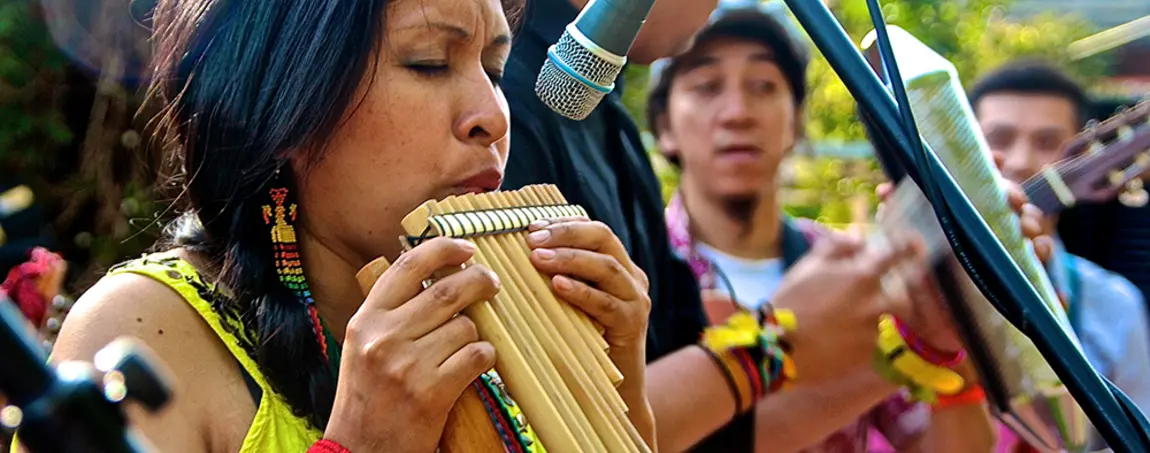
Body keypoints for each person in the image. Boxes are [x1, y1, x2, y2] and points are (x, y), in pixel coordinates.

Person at [20, 1, 936, 453]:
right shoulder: (142, 329)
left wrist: (622, 410)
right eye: (429, 61)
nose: (492, 113)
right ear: (284, 110)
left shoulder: (511, 335)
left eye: (493, 64)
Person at [646, 3, 998, 452]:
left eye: (764, 86)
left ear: (795, 121)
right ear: (665, 128)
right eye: (706, 87)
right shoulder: (635, 268)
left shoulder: (854, 269)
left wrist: (951, 349)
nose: (737, 112)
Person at [968, 61, 1150, 450]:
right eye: (999, 138)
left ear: (1085, 156)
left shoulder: (1114, 305)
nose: (1019, 161)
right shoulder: (904, 280)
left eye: (1048, 143)